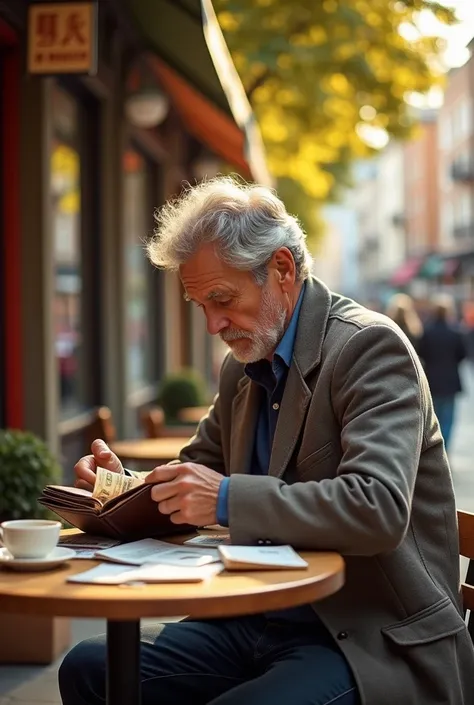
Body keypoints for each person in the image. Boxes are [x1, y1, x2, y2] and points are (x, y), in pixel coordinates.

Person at [60, 177, 474, 705]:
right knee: (90, 666)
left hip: (366, 638)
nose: (212, 324)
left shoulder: (369, 347)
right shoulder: (245, 364)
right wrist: (126, 490)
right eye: (199, 304)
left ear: (281, 269)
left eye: (222, 299)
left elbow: (378, 507)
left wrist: (227, 498)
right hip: (256, 619)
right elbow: (196, 474)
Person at [418, 294, 466, 452]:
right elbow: (462, 354)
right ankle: (446, 445)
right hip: (451, 379)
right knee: (449, 417)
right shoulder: (456, 332)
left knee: (434, 416)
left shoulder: (427, 331)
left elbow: (421, 352)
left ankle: (438, 446)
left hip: (432, 378)